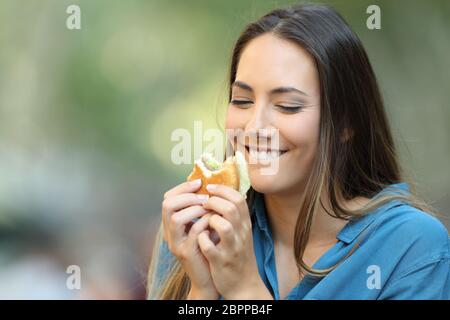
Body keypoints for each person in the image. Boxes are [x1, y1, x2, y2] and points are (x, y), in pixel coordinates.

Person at [147, 3, 450, 300]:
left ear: (346, 124)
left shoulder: (411, 246)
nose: (254, 127)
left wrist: (244, 289)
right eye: (241, 101)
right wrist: (202, 290)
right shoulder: (194, 230)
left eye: (287, 106)